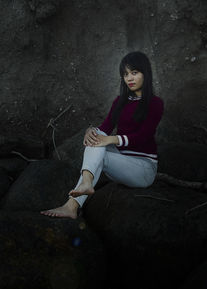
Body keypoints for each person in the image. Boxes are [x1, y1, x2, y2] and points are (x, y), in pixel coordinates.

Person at [40, 51, 164, 219]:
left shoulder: (155, 103)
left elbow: (143, 135)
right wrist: (91, 131)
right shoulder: (120, 102)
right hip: (122, 160)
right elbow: (105, 127)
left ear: (145, 73)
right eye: (126, 74)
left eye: (134, 73)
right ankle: (85, 185)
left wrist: (110, 139)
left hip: (143, 168)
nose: (129, 78)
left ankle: (73, 203)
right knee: (96, 138)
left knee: (101, 145)